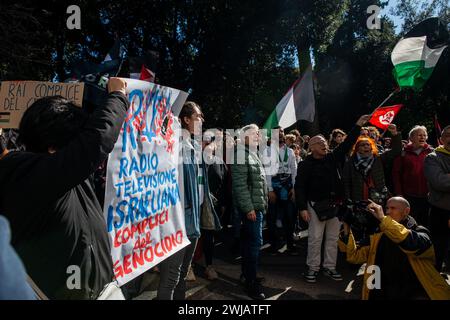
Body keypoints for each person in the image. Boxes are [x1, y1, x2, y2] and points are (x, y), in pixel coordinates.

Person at [0, 78, 129, 299]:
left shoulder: (64, 174)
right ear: (52, 147)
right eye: (74, 139)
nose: (79, 143)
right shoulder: (24, 174)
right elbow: (96, 141)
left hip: (105, 290)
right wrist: (118, 96)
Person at [295, 114, 370, 283]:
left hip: (335, 205)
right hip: (315, 206)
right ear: (312, 147)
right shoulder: (305, 165)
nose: (324, 145)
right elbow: (299, 187)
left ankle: (329, 267)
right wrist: (302, 208)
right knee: (315, 238)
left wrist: (358, 125)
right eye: (320, 143)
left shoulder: (332, 158)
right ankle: (313, 268)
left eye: (325, 142)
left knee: (332, 238)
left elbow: (347, 143)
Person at [339, 197, 450, 300]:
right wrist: (347, 226)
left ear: (406, 211)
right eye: (386, 208)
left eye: (393, 208)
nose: (387, 212)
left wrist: (383, 220)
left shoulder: (421, 232)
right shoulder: (378, 234)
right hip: (382, 289)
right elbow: (353, 257)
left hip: (412, 291)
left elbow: (408, 242)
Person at [157, 101, 212, 299]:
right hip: (177, 220)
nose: (202, 120)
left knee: (182, 275)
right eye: (198, 117)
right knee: (170, 278)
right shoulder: (175, 146)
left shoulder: (195, 147)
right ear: (185, 120)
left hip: (193, 218)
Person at [232, 124, 268, 300]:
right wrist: (249, 208)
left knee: (249, 244)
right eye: (254, 133)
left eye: (258, 133)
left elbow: (259, 183)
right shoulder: (241, 153)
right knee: (254, 244)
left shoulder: (252, 153)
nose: (258, 135)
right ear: (244, 136)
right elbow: (240, 185)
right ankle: (251, 282)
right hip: (251, 209)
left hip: (256, 207)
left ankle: (247, 275)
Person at [264, 126, 298, 255]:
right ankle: (273, 245)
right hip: (273, 187)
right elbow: (266, 172)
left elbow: (294, 171)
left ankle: (290, 244)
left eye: (282, 132)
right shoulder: (267, 151)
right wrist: (270, 190)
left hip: (287, 188)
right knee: (272, 218)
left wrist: (294, 188)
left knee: (289, 217)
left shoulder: (289, 151)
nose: (280, 134)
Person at [393, 125, 434, 227]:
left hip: (429, 196)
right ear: (411, 138)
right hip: (409, 196)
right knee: (410, 224)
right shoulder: (403, 153)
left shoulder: (432, 152)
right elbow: (396, 174)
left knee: (427, 224)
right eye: (419, 135)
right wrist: (399, 193)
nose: (422, 137)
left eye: (424, 135)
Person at [424, 125, 450, 272]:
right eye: (448, 135)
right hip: (441, 210)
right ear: (441, 139)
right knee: (438, 247)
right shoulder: (432, 158)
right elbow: (439, 181)